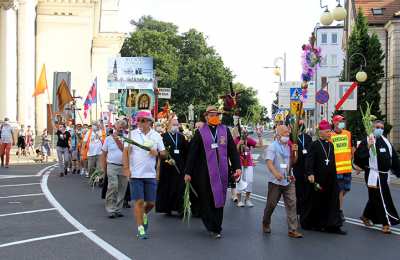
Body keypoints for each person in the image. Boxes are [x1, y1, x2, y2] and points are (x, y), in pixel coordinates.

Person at [184, 106, 241, 239]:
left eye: (216, 114)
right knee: (207, 199)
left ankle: (217, 226)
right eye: (211, 115)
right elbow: (192, 154)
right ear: (206, 117)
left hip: (222, 171)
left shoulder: (224, 131)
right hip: (204, 173)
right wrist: (188, 172)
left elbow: (232, 150)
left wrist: (237, 167)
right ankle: (210, 225)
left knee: (220, 198)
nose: (214, 117)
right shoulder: (200, 132)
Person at [122, 110, 166, 239]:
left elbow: (164, 154)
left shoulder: (156, 135)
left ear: (149, 122)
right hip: (135, 174)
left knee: (151, 203)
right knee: (139, 202)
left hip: (150, 174)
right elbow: (125, 153)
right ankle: (141, 229)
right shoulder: (132, 134)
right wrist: (126, 168)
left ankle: (143, 215)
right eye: (138, 120)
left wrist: (157, 153)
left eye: (142, 120)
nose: (139, 123)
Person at [354, 120, 400, 234]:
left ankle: (365, 216)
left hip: (384, 175)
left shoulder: (386, 141)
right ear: (372, 128)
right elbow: (358, 157)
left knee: (375, 197)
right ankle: (386, 223)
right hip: (373, 175)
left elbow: (393, 158)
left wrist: (398, 172)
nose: (380, 129)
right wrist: (368, 147)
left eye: (382, 127)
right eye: (377, 127)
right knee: (383, 198)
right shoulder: (368, 140)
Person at [302, 120, 346, 235]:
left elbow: (332, 162)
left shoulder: (331, 145)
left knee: (332, 202)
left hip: (331, 179)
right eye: (327, 132)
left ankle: (333, 225)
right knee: (318, 202)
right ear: (321, 133)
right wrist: (310, 173)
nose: (329, 133)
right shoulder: (315, 145)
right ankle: (317, 224)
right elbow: (309, 160)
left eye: (330, 131)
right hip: (319, 179)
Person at [262, 125, 303, 238]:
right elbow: (269, 162)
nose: (287, 135)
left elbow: (294, 161)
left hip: (288, 179)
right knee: (271, 204)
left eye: (288, 133)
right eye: (285, 133)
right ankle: (265, 223)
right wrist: (276, 173)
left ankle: (292, 229)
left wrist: (296, 152)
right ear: (278, 135)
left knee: (292, 204)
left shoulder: (289, 146)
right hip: (275, 181)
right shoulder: (272, 147)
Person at [156, 117, 189, 215]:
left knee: (179, 187)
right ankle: (167, 208)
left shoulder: (181, 137)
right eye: (174, 124)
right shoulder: (164, 136)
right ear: (169, 125)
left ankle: (180, 208)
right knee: (168, 187)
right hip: (167, 167)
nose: (175, 126)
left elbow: (185, 151)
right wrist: (166, 159)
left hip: (179, 166)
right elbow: (161, 152)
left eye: (177, 124)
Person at [101, 120, 129, 218]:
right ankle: (111, 209)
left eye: (123, 127)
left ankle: (118, 209)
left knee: (122, 188)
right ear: (115, 127)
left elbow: (128, 151)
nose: (121, 128)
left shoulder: (127, 138)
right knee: (113, 186)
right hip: (112, 165)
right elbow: (104, 153)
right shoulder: (108, 139)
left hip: (124, 166)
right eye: (120, 126)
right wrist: (103, 167)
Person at [330, 115, 353, 220]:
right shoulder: (330, 135)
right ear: (334, 122)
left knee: (346, 189)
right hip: (336, 168)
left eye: (343, 121)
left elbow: (351, 149)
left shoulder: (348, 134)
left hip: (347, 168)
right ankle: (339, 211)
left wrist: (355, 165)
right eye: (340, 121)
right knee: (340, 190)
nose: (342, 123)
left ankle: (335, 204)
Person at [234, 127, 264, 207]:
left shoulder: (248, 140)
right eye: (243, 132)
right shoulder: (236, 140)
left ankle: (247, 199)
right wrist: (240, 143)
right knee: (239, 181)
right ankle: (239, 200)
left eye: (246, 132)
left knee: (249, 181)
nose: (245, 134)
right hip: (239, 163)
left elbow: (260, 145)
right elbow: (234, 151)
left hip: (248, 163)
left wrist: (260, 136)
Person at [292, 120, 313, 217]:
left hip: (302, 168)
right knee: (302, 190)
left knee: (300, 191)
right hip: (300, 167)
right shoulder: (294, 139)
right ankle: (300, 210)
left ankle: (301, 210)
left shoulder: (307, 138)